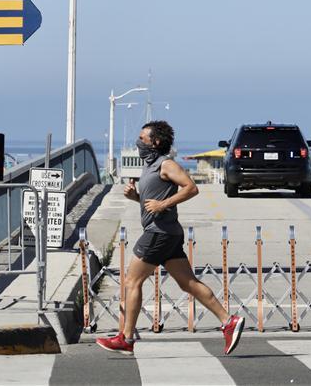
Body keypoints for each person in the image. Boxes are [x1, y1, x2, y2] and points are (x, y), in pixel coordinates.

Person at [96, 120, 244, 355]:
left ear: (155, 142)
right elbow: (152, 203)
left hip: (158, 233)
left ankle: (125, 338)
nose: (138, 142)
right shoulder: (150, 165)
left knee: (131, 282)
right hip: (168, 232)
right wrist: (136, 197)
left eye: (142, 139)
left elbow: (191, 188)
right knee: (188, 283)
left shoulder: (166, 165)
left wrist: (163, 203)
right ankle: (229, 321)